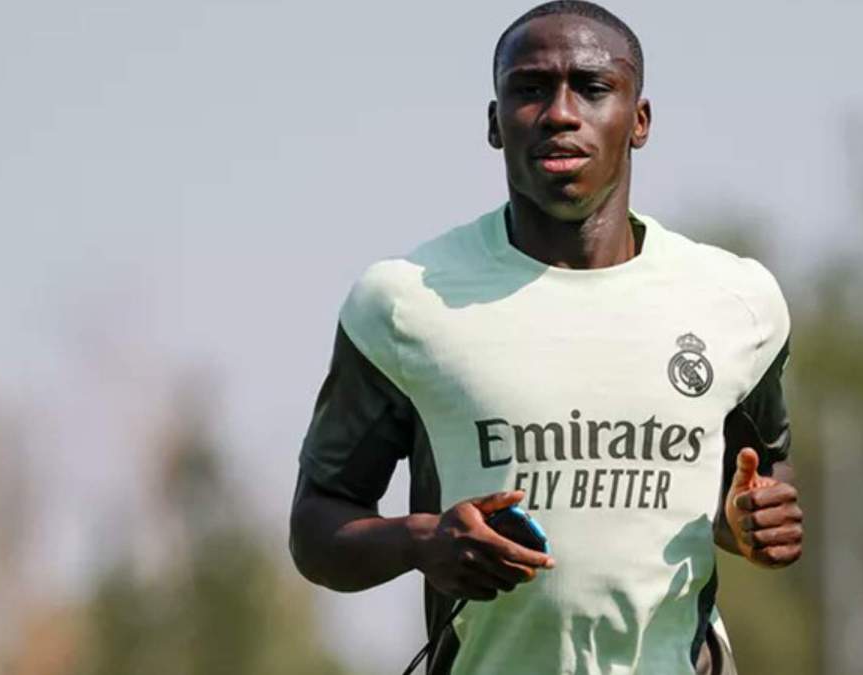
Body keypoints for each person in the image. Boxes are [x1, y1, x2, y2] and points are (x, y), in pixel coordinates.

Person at [288, 2, 804, 673]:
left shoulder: (737, 301)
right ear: (494, 123)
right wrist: (423, 541)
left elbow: (758, 478)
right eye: (530, 89)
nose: (560, 113)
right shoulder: (404, 302)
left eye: (592, 88)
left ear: (639, 121)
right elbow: (316, 527)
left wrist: (745, 524)